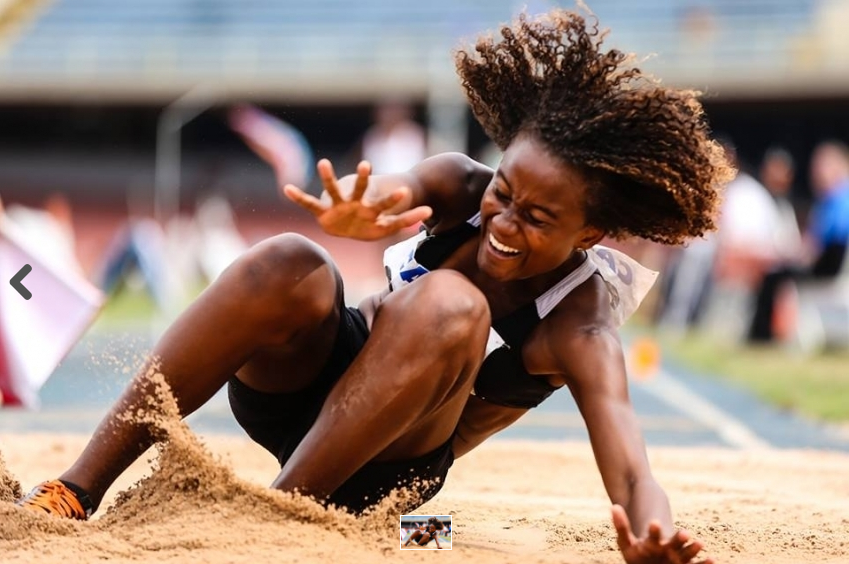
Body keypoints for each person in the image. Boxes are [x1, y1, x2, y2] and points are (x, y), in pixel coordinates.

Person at [17, 9, 730, 564]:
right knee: (288, 259)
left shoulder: (581, 322)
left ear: (589, 236)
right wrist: (360, 213)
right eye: (504, 192)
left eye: (536, 218)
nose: (503, 224)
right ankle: (76, 488)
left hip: (389, 480)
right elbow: (399, 190)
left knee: (455, 304)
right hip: (302, 399)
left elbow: (633, 474)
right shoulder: (459, 184)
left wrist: (652, 536)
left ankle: (272, 519)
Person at [747, 140, 849, 342]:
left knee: (773, 276)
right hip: (829, 267)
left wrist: (800, 255)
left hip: (829, 271)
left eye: (823, 166)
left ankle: (761, 336)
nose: (817, 172)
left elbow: (824, 243)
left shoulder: (838, 198)